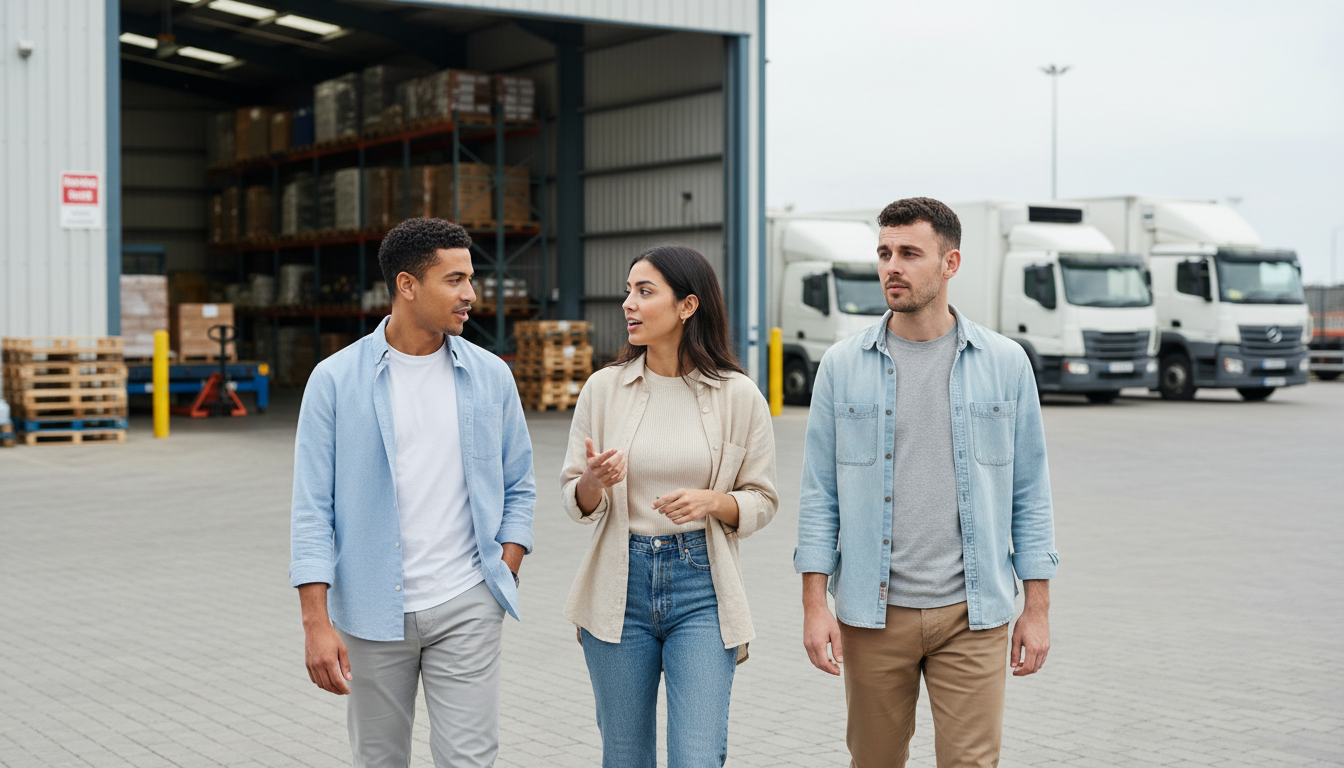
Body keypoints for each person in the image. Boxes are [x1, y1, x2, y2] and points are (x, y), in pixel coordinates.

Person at [795, 197, 1058, 768]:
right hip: (872, 612)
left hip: (973, 612)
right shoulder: (842, 366)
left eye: (910, 253)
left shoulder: (1006, 363)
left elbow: (1030, 495)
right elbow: (819, 496)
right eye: (885, 253)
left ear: (950, 263)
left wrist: (1036, 609)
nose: (892, 266)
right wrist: (815, 605)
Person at [290, 217, 536, 768]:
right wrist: (315, 623)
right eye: (454, 280)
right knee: (379, 760)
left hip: (467, 601)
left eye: (470, 279)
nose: (470, 294)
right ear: (408, 285)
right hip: (373, 610)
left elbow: (519, 481)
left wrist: (507, 566)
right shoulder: (334, 380)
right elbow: (311, 510)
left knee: (470, 760)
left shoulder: (491, 374)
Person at [560, 243, 779, 768]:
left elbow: (764, 499)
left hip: (702, 586)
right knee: (625, 754)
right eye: (628, 292)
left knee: (697, 756)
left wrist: (716, 501)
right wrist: (592, 481)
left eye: (645, 291)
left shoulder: (739, 395)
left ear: (688, 306)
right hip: (619, 582)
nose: (628, 305)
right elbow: (575, 501)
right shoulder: (603, 389)